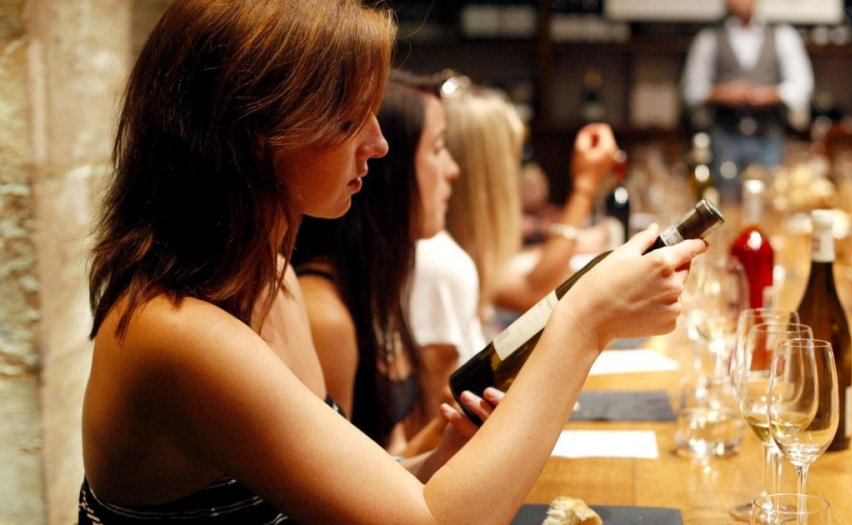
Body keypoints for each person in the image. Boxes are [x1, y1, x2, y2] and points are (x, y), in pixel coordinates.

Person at [80, 0, 706, 522]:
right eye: (349, 118)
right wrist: (585, 322)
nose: (379, 144)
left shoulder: (272, 277)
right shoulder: (176, 332)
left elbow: (329, 491)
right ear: (255, 133)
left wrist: (433, 464)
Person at [408, 81, 621, 418]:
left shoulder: (452, 250)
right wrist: (585, 186)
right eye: (511, 158)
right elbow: (535, 291)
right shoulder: (441, 262)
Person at [292, 72, 460, 456]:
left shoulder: (374, 283)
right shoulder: (324, 317)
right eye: (437, 148)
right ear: (389, 171)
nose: (452, 169)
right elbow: (337, 484)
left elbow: (388, 457)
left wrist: (449, 422)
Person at [681, 0, 814, 203]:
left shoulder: (782, 35)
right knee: (725, 201)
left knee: (769, 199)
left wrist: (768, 95)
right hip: (725, 135)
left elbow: (802, 86)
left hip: (768, 135)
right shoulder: (710, 38)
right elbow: (691, 90)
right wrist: (722, 93)